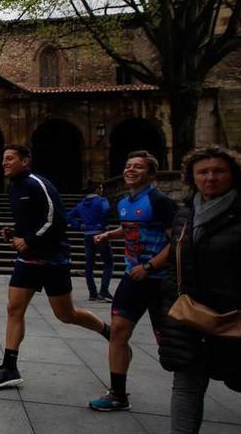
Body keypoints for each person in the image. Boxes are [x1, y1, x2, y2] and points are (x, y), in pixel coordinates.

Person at [0, 145, 111, 389]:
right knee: (14, 309)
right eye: (3, 159)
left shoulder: (36, 183)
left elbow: (56, 220)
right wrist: (15, 232)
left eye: (10, 158)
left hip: (53, 258)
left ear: (25, 160)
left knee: (66, 314)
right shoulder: (15, 187)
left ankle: (106, 330)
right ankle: (10, 367)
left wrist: (28, 240)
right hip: (28, 259)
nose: (4, 163)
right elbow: (32, 220)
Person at [158, 145, 241, 433]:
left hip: (235, 316)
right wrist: (168, 315)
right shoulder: (185, 215)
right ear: (192, 177)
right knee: (186, 386)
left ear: (233, 174)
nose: (210, 178)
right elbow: (174, 267)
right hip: (190, 315)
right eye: (203, 172)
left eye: (219, 171)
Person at [88, 150, 178, 412]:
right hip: (132, 278)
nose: (131, 170)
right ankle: (118, 394)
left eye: (138, 167)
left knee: (169, 341)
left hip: (159, 281)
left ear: (150, 174)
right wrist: (110, 235)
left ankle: (190, 387)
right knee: (117, 331)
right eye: (128, 166)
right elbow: (131, 228)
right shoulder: (124, 203)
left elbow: (177, 243)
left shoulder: (160, 201)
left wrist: (149, 267)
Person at [66, 180, 116, 302]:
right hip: (100, 233)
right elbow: (106, 210)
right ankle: (104, 291)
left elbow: (69, 216)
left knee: (89, 264)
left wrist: (78, 225)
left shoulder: (81, 204)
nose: (102, 190)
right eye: (101, 187)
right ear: (97, 189)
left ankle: (92, 293)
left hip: (87, 234)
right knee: (108, 263)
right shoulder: (101, 200)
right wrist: (102, 224)